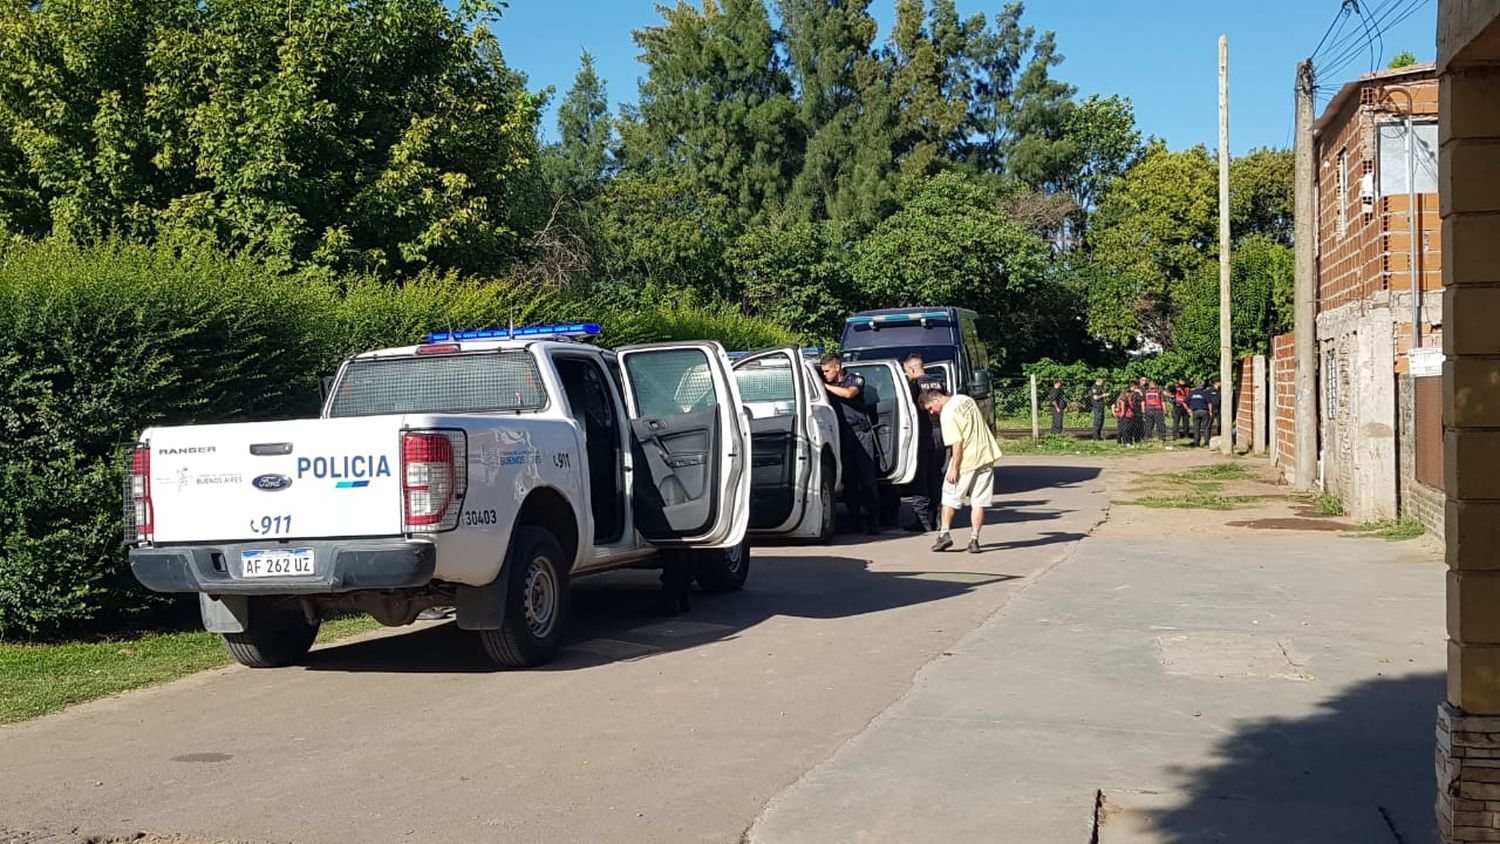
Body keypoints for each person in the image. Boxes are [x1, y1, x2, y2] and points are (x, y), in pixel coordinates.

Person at [919, 387, 1002, 553]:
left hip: (966, 460)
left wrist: (954, 469)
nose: (932, 412)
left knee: (949, 497)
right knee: (979, 501)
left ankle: (944, 534)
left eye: (930, 408)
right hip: (986, 455)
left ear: (936, 399)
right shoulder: (965, 399)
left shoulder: (947, 415)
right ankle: (974, 539)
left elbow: (957, 444)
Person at [820, 354, 881, 535]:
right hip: (841, 435)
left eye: (827, 371)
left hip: (860, 433)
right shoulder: (829, 384)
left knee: (867, 478)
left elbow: (849, 393)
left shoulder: (854, 379)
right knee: (849, 480)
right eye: (822, 372)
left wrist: (825, 387)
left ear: (837, 367)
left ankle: (874, 521)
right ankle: (855, 519)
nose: (824, 375)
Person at [902, 355, 946, 533]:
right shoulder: (938, 382)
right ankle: (938, 518)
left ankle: (921, 520)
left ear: (912, 370)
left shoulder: (913, 385)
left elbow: (907, 408)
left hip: (922, 433)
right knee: (935, 476)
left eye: (906, 372)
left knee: (920, 477)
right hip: (939, 433)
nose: (907, 376)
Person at [1187, 380, 1211, 447]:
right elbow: (1209, 403)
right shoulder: (1205, 393)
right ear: (1202, 386)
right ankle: (1206, 443)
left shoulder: (1192, 393)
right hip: (1204, 411)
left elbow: (1184, 401)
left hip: (1195, 412)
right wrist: (1210, 411)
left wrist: (1188, 409)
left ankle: (1196, 443)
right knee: (1206, 427)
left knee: (1196, 428)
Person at [1090, 377, 1108, 441]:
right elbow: (1095, 398)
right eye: (1102, 382)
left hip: (1101, 406)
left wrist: (1105, 396)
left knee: (1101, 421)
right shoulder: (1094, 388)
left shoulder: (1100, 387)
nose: (1103, 383)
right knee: (1097, 421)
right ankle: (1095, 437)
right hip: (1097, 407)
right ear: (1099, 381)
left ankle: (1099, 436)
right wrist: (1103, 395)